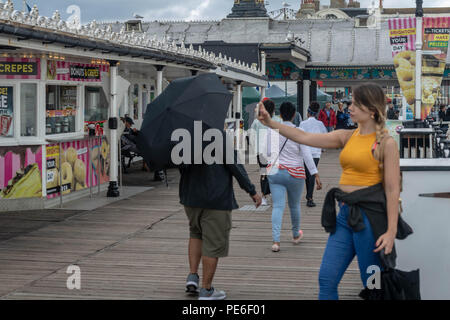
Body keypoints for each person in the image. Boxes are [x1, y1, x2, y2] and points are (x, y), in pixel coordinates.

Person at [257, 83, 404, 300]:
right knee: (326, 279)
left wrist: (391, 232)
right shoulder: (347, 136)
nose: (349, 107)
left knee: (373, 284)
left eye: (355, 103)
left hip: (371, 222)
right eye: (351, 102)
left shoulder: (386, 143)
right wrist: (270, 122)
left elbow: (393, 190)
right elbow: (303, 137)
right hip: (344, 217)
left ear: (372, 110)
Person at [181, 133, 262, 300]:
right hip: (215, 199)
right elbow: (235, 167)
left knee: (196, 233)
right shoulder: (218, 137)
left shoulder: (186, 136)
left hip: (190, 198)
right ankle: (207, 289)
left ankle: (193, 277)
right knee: (213, 243)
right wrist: (252, 191)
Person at [265, 101, 321, 252]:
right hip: (295, 172)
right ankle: (296, 235)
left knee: (277, 206)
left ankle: (276, 242)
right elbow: (306, 155)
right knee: (294, 205)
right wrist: (315, 173)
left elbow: (268, 153)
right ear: (294, 114)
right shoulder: (299, 131)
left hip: (276, 172)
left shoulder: (272, 130)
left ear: (280, 114)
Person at [249, 98, 282, 206]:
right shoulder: (278, 120)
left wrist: (254, 148)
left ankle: (264, 196)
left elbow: (251, 136)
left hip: (261, 152)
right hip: (274, 152)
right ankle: (272, 192)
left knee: (264, 173)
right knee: (273, 173)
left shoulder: (256, 121)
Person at [299, 102, 327, 208]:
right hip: (316, 152)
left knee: (308, 174)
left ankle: (309, 197)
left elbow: (300, 137)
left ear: (308, 113)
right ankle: (309, 197)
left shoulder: (303, 124)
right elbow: (325, 137)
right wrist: (322, 148)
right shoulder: (320, 124)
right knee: (311, 174)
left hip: (306, 151)